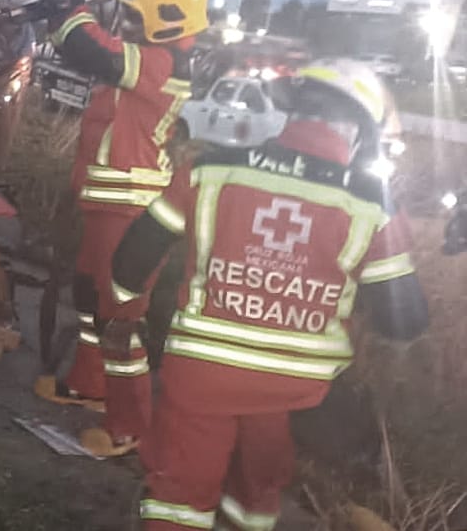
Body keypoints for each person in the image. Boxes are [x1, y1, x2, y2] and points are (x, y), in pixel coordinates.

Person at [110, 60, 428, 530]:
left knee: (178, 497)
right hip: (296, 396)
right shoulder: (372, 206)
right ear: (361, 133)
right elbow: (405, 322)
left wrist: (127, 310)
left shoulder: (211, 169)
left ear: (294, 111)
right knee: (255, 498)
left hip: (202, 376)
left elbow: (133, 258)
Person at [34, 0, 210, 455]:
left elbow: (92, 50)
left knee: (120, 321)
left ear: (167, 15)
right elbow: (83, 47)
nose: (127, 22)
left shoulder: (164, 62)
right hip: (107, 202)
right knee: (91, 298)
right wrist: (61, 5)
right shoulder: (151, 55)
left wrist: (69, 1)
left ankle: (130, 426)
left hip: (131, 210)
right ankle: (89, 385)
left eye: (135, 15)